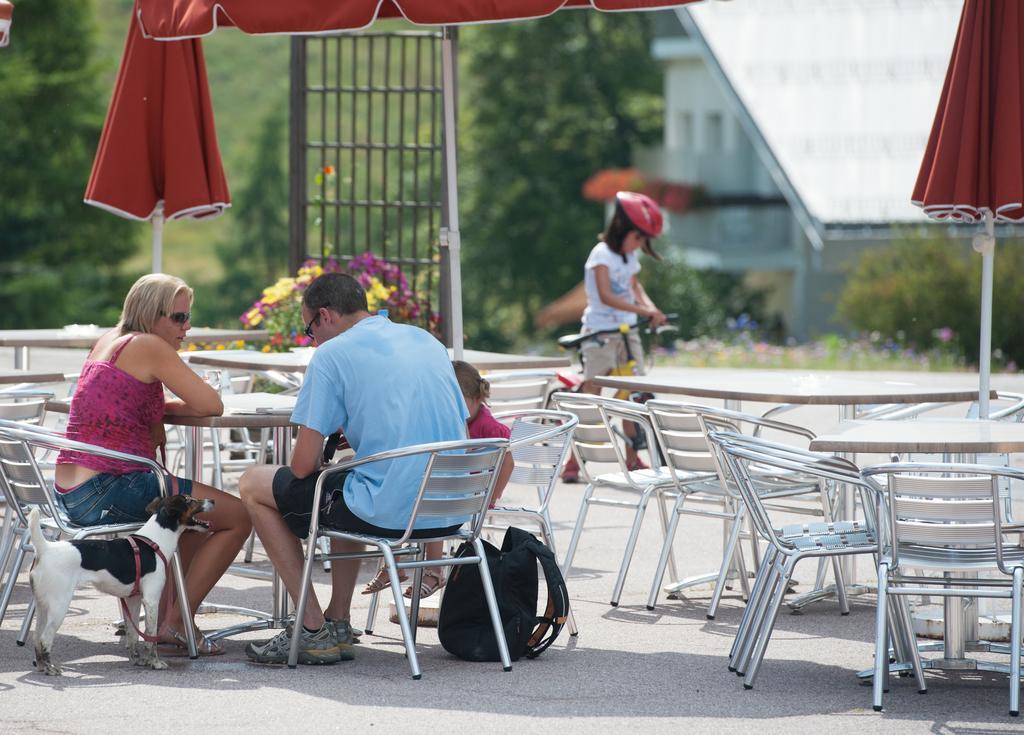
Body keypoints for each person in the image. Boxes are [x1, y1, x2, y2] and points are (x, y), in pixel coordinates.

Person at [238, 272, 470, 665]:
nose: (312, 340)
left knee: (252, 484)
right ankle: (338, 619)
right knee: (348, 477)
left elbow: (301, 466)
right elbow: (454, 426)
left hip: (393, 511)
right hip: (452, 509)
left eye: (309, 330)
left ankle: (310, 627)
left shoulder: (332, 355)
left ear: (325, 316)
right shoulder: (426, 340)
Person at [54, 273, 253, 656]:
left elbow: (125, 403)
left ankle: (167, 619)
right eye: (178, 318)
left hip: (73, 493)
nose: (187, 327)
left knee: (194, 519)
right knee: (238, 516)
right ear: (151, 315)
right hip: (109, 488)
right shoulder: (149, 345)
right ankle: (175, 623)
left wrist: (158, 414)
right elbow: (212, 404)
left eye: (187, 317)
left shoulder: (108, 342)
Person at [359, 360, 514, 600]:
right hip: (442, 492)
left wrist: (491, 497)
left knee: (431, 498)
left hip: (466, 498)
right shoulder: (443, 423)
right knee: (400, 493)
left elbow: (507, 463)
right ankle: (392, 566)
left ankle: (434, 570)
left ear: (474, 398)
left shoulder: (489, 427)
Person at [561, 191, 667, 483]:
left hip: (626, 333)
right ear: (626, 230)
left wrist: (651, 308)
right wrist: (642, 310)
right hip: (600, 333)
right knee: (591, 397)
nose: (641, 244)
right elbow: (606, 296)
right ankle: (572, 460)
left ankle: (633, 459)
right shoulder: (601, 255)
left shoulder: (629, 256)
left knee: (633, 396)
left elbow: (634, 286)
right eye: (640, 237)